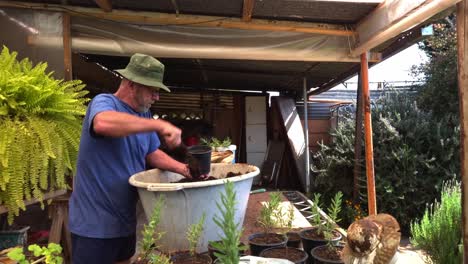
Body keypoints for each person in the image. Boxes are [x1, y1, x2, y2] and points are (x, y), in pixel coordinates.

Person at [69, 53, 191, 264]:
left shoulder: (142, 115)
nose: (157, 97)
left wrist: (184, 169)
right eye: (153, 91)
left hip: (125, 219)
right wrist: (159, 124)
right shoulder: (105, 103)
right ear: (132, 84)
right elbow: (102, 124)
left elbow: (151, 153)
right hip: (94, 223)